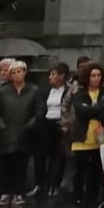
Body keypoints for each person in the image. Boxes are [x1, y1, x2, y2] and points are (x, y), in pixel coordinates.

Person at [0, 60, 40, 208]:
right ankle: (4, 193)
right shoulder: (3, 91)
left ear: (25, 72)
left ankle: (18, 193)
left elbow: (39, 111)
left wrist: (30, 125)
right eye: (13, 72)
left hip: (24, 132)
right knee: (4, 165)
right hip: (5, 133)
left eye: (19, 71)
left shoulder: (33, 90)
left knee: (20, 164)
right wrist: (1, 126)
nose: (17, 75)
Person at [64, 64, 104, 208]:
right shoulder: (79, 93)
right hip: (83, 137)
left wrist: (95, 110)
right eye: (93, 76)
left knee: (96, 170)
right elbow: (81, 111)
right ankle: (78, 198)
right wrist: (100, 107)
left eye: (99, 76)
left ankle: (93, 199)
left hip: (101, 137)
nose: (96, 79)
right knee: (80, 170)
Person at [32, 63, 71, 200]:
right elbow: (40, 106)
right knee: (41, 154)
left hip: (60, 124)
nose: (50, 77)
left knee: (58, 156)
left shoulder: (69, 90)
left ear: (62, 76)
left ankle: (54, 184)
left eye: (54, 74)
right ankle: (39, 184)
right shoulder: (44, 90)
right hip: (46, 123)